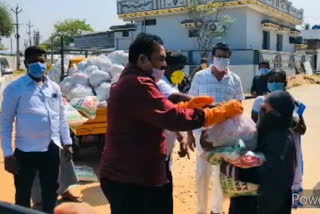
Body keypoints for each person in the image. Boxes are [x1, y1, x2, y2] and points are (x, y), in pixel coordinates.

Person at [99, 33, 243, 214]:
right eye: (160, 59)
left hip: (140, 172)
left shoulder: (137, 80)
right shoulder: (137, 84)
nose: (165, 65)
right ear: (142, 59)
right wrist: (216, 113)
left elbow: (166, 101)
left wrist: (190, 104)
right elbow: (174, 118)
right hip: (132, 177)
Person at [0, 46, 73, 213]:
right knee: (23, 194)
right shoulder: (15, 89)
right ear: (26, 63)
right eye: (34, 61)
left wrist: (67, 142)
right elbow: (5, 122)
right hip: (26, 151)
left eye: (41, 61)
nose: (38, 64)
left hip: (51, 148)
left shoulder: (54, 87)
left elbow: (60, 117)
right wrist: (8, 154)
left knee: (51, 190)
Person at [188, 42, 245, 214]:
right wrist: (189, 133)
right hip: (202, 134)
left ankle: (216, 210)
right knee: (202, 174)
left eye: (225, 56)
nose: (222, 59)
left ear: (230, 57)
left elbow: (239, 107)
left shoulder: (235, 80)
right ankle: (202, 210)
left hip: (224, 136)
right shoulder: (200, 76)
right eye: (219, 56)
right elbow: (191, 106)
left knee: (221, 174)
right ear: (213, 57)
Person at [226, 91, 297, 214]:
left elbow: (265, 176)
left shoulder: (280, 141)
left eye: (265, 109)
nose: (261, 113)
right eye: (261, 108)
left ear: (278, 114)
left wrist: (237, 165)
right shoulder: (268, 133)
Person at [251, 70, 306, 204]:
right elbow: (253, 126)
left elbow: (302, 129)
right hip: (267, 151)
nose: (273, 84)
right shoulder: (260, 102)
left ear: (285, 83)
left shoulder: (294, 103)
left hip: (288, 151)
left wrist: (290, 119)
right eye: (271, 81)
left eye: (277, 81)